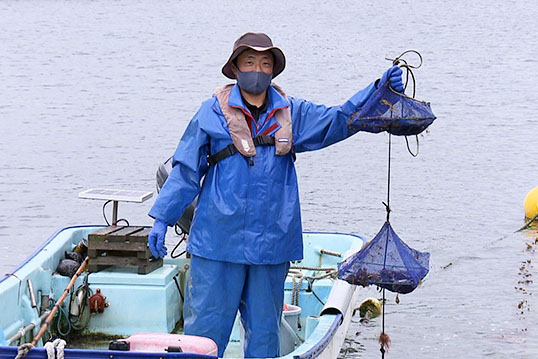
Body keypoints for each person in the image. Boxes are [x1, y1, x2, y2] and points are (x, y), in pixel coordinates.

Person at [147, 32, 404, 358]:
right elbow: (185, 170)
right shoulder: (210, 113)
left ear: (273, 71)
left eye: (265, 63)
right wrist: (162, 219)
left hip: (271, 246)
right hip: (217, 244)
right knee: (203, 339)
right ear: (235, 68)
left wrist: (378, 89)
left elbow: (340, 120)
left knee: (265, 337)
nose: (257, 69)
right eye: (250, 62)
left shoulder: (292, 112)